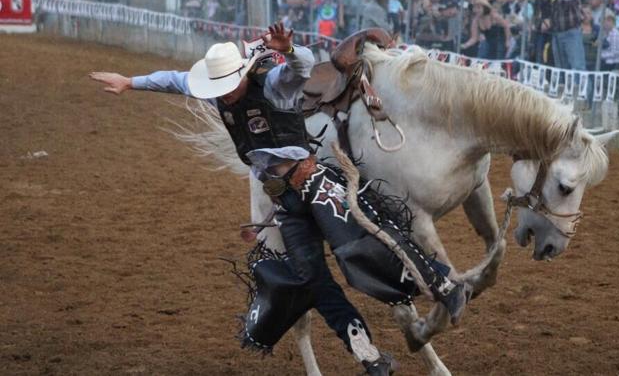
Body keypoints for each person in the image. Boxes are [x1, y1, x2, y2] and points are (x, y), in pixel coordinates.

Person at [89, 23, 468, 374]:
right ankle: (367, 353)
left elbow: (300, 70)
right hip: (285, 200)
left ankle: (446, 286)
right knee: (313, 280)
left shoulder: (272, 85)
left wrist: (289, 49)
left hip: (315, 183)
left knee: (369, 239)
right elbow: (172, 80)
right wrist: (129, 82)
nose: (222, 94)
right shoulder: (217, 96)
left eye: (226, 86)